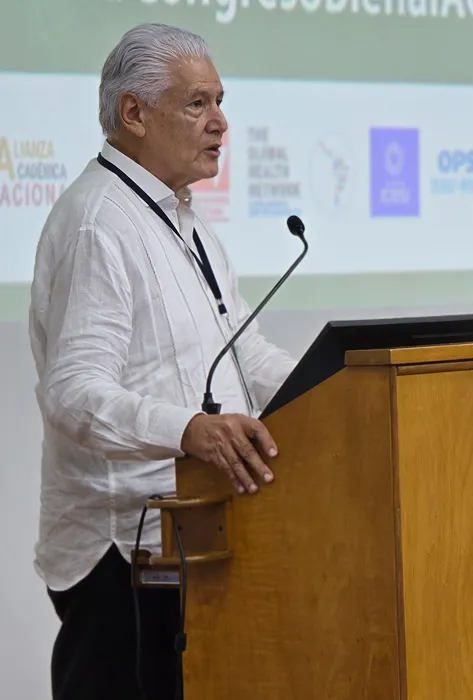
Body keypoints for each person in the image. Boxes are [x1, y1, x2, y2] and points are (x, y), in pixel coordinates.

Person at [29, 23, 297, 700]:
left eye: (220, 101)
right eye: (198, 103)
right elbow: (73, 392)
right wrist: (189, 430)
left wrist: (343, 385)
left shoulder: (183, 221)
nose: (221, 122)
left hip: (191, 536)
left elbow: (243, 353)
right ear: (134, 113)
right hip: (124, 555)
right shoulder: (98, 223)